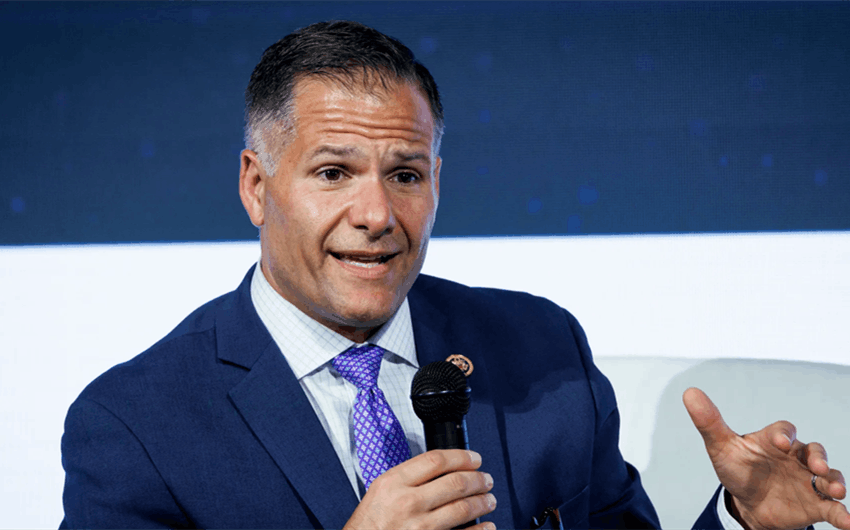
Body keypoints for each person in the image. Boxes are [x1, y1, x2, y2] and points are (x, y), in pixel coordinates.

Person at [60, 20, 849, 530]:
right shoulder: (134, 425)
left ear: (436, 181)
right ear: (256, 187)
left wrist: (743, 522)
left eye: (405, 175)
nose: (378, 214)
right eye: (333, 173)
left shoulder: (542, 348)